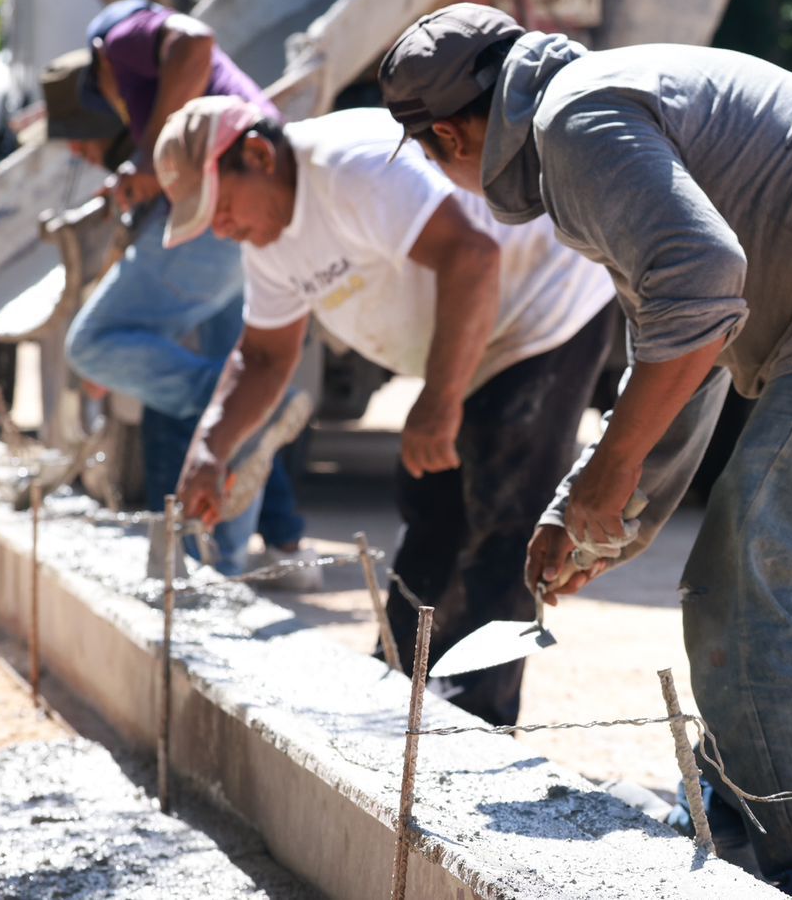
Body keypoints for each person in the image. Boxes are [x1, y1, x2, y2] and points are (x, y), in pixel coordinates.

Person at [377, 3, 792, 898]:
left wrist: (609, 478)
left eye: (436, 158)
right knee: (743, 598)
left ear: (447, 133)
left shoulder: (577, 122)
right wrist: (596, 515)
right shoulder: (591, 106)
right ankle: (739, 826)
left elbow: (703, 293)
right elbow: (683, 355)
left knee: (745, 604)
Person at [157, 96, 616, 727]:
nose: (220, 229)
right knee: (431, 504)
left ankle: (478, 716)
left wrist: (439, 400)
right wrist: (211, 451)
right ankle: (398, 695)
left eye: (220, 208)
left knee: (505, 513)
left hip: (543, 303)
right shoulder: (266, 240)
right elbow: (263, 358)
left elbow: (472, 258)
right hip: (470, 332)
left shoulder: (353, 164)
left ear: (258, 156)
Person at [43, 0, 311, 581]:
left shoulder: (118, 38)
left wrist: (142, 155)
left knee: (94, 343)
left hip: (232, 203)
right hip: (248, 210)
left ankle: (248, 409)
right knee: (228, 386)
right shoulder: (167, 108)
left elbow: (194, 39)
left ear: (100, 66)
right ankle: (226, 567)